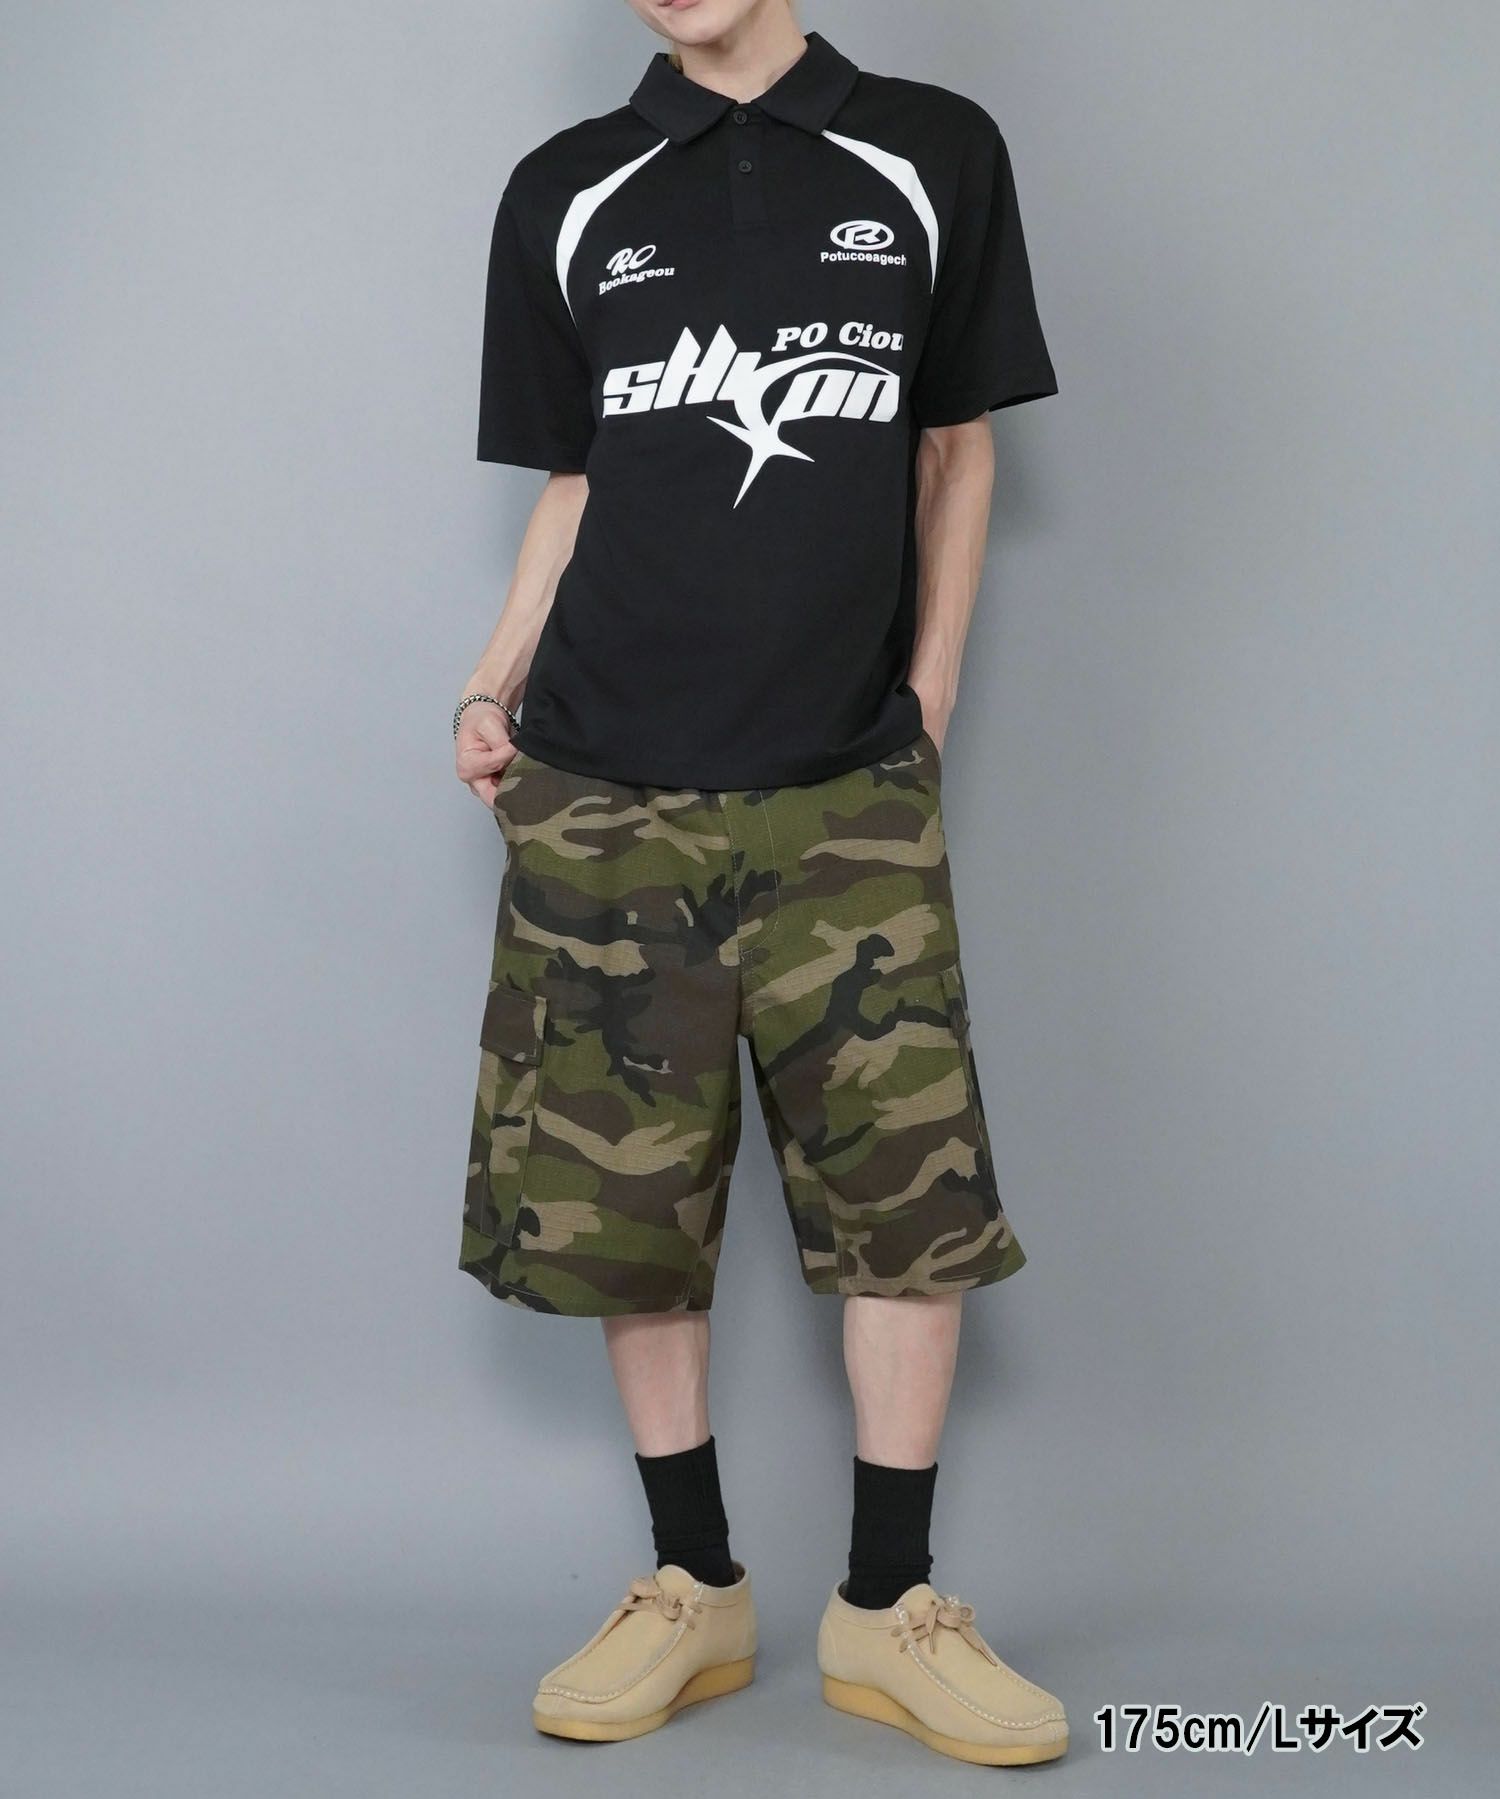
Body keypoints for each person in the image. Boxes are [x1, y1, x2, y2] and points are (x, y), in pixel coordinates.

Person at [453, 0, 1064, 1766]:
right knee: (627, 1207)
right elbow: (580, 474)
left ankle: (889, 1607)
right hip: (602, 783)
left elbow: (957, 445)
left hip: (843, 788)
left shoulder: (930, 151)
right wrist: (491, 682)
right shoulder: (569, 187)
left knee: (908, 1206)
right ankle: (691, 1586)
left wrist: (928, 697)